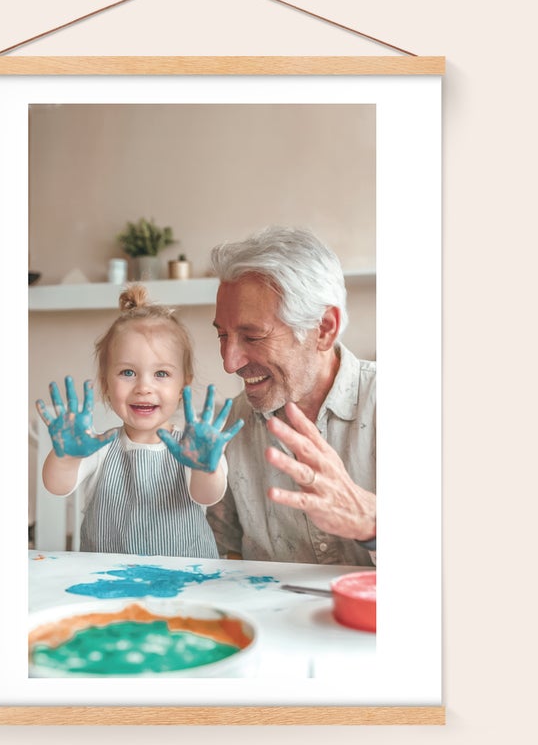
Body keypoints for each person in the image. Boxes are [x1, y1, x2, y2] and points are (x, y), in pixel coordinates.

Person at [206, 226, 377, 565]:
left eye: (252, 337)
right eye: (222, 336)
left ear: (324, 329)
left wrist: (372, 522)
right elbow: (223, 555)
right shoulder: (228, 425)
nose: (229, 362)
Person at [36, 283, 243, 558]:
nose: (144, 387)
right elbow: (56, 485)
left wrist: (207, 468)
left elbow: (208, 496)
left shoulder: (194, 448)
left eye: (161, 374)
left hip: (186, 582)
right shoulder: (98, 448)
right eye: (127, 372)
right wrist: (66, 458)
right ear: (105, 383)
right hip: (107, 581)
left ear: (184, 384)